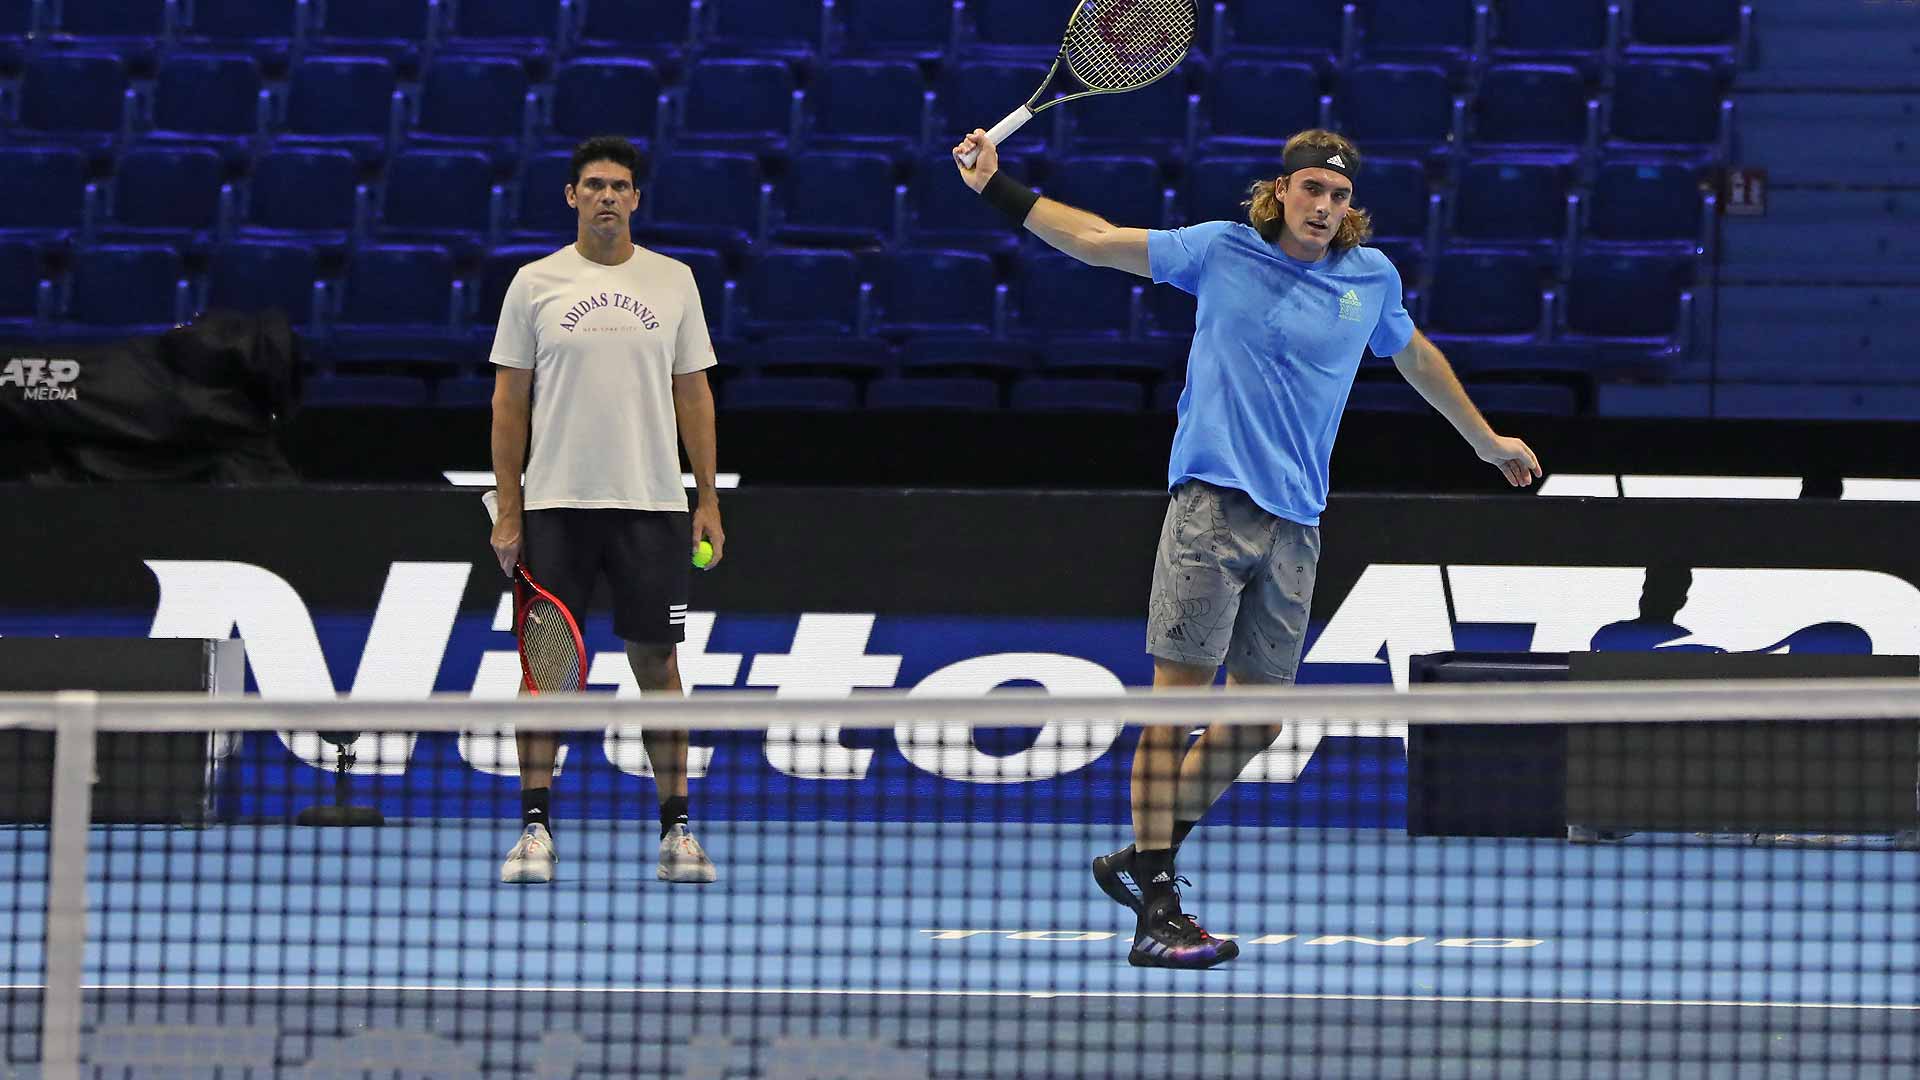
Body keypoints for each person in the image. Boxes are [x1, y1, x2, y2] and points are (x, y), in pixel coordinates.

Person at [953, 126, 1543, 968]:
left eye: (1339, 198)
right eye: (1312, 190)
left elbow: (1415, 357)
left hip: (1298, 522)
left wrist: (1483, 440)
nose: (1325, 208)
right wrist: (995, 188)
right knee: (1174, 705)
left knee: (1259, 716)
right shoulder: (1220, 251)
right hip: (1211, 508)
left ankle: (1141, 857)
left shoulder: (1370, 279)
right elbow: (1091, 241)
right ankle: (1157, 905)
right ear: (1281, 192)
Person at [487, 135, 725, 886]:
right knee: (547, 671)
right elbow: (508, 400)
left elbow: (694, 394)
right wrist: (510, 510)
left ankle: (677, 832)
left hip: (653, 504)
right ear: (571, 196)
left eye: (621, 186)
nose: (608, 197)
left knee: (659, 664)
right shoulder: (533, 283)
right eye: (594, 185)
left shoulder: (674, 281)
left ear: (636, 199)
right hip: (555, 505)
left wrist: (708, 498)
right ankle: (533, 830)